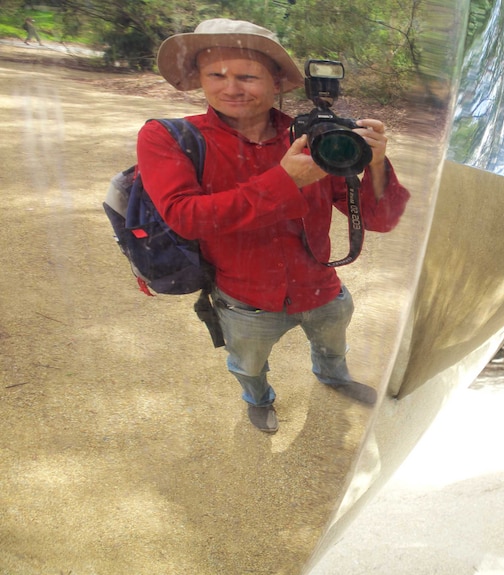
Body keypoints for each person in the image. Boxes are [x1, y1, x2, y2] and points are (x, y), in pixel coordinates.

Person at [137, 18, 410, 433]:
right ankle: (258, 398)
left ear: (277, 82)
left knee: (334, 347)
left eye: (247, 76)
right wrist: (285, 182)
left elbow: (381, 219)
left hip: (322, 288)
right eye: (216, 75)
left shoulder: (316, 137)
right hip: (244, 298)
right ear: (199, 80)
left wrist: (373, 164)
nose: (231, 87)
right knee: (247, 363)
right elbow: (185, 217)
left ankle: (334, 379)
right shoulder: (169, 137)